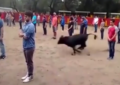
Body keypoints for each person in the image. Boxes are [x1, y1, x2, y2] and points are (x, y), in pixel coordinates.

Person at [19, 11, 35, 82]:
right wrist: (22, 34)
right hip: (25, 46)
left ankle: (30, 75)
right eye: (24, 16)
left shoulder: (31, 26)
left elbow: (26, 36)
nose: (24, 17)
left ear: (29, 17)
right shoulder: (25, 24)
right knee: (27, 61)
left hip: (30, 46)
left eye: (26, 16)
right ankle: (28, 73)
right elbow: (21, 32)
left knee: (29, 62)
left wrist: (22, 34)